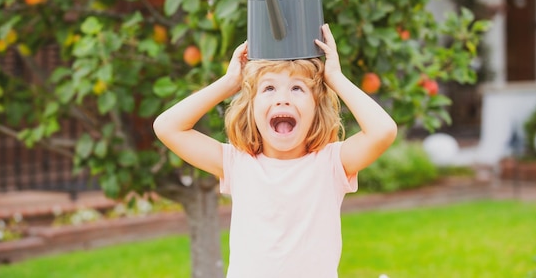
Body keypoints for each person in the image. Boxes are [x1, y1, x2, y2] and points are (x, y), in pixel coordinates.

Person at [153, 23, 397, 278]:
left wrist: (335, 78)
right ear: (251, 107)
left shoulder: (331, 163)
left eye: (297, 88)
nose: (283, 98)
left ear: (316, 109)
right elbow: (168, 127)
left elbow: (383, 131)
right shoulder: (238, 162)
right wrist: (228, 83)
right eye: (269, 88)